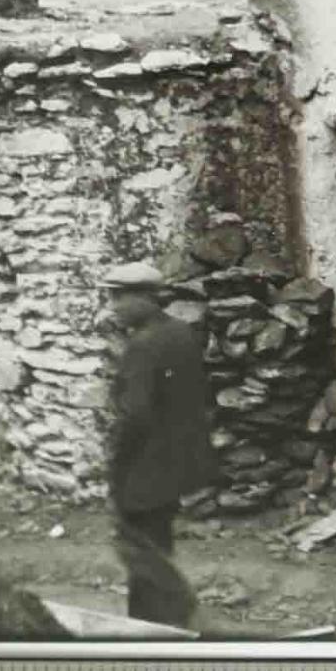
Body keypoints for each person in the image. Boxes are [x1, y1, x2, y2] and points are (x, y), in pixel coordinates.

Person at [103, 261, 217, 628]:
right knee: (155, 544)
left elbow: (135, 417)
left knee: (141, 554)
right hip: (174, 467)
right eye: (111, 295)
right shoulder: (181, 333)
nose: (114, 305)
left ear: (150, 298)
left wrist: (116, 469)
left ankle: (157, 627)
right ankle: (168, 621)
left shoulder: (143, 346)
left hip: (144, 469)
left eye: (121, 296)